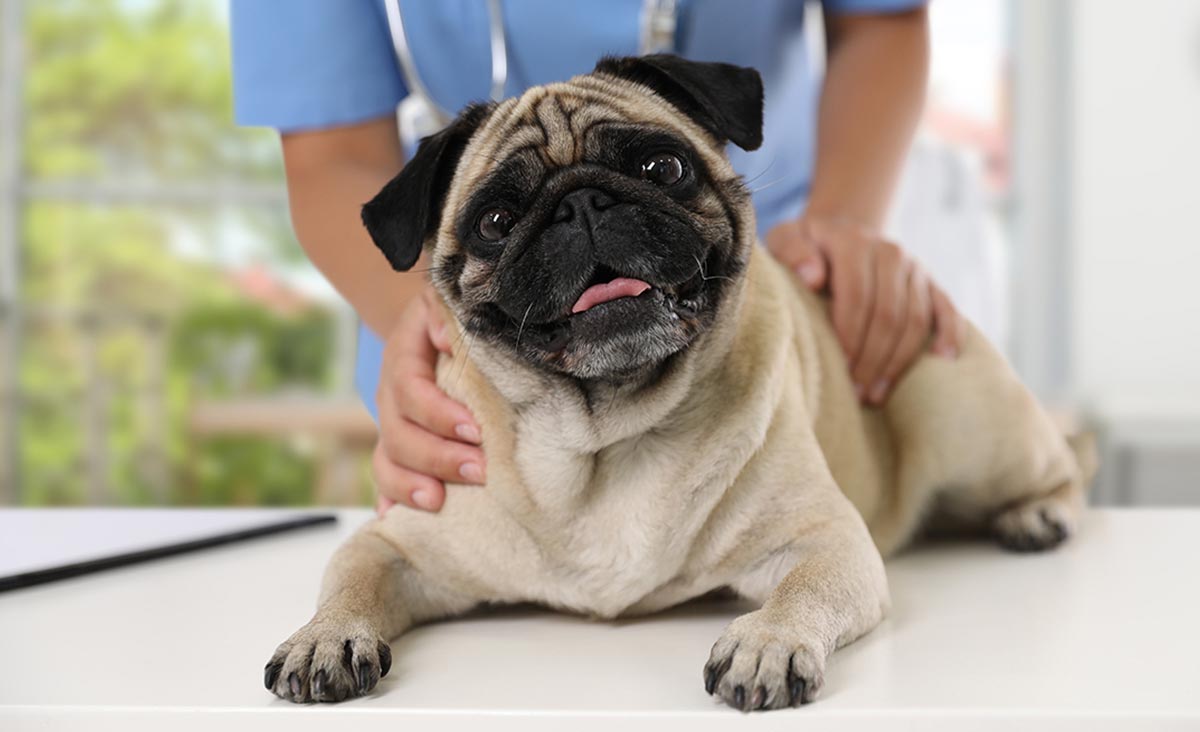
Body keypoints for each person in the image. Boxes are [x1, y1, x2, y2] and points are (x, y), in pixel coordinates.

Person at [231, 0, 962, 516]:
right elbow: (332, 153)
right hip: (488, 320)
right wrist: (426, 332)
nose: (585, 218)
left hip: (771, 261)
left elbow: (881, 17)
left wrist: (839, 226)